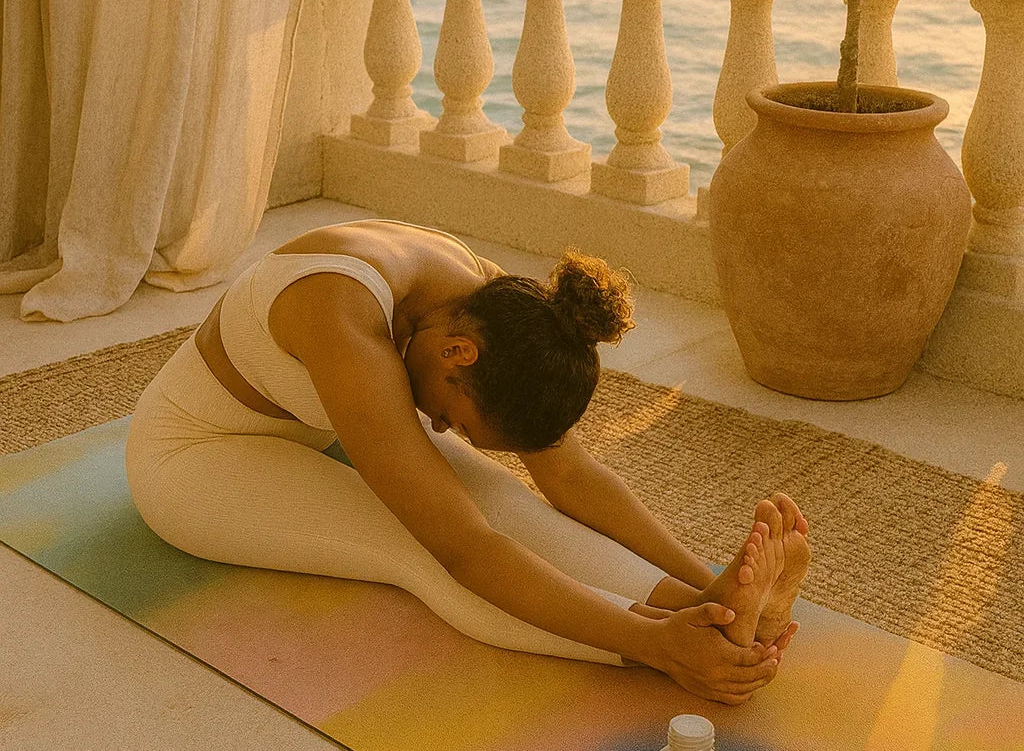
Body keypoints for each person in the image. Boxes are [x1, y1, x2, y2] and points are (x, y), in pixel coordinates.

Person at [126, 219, 810, 704]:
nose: (436, 425)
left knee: (505, 506)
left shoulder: (494, 309)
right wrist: (653, 644)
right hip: (194, 461)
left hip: (308, 432)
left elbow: (568, 475)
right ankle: (675, 645)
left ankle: (706, 614)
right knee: (420, 546)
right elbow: (464, 550)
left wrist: (710, 584)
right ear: (458, 356)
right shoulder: (339, 315)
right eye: (454, 419)